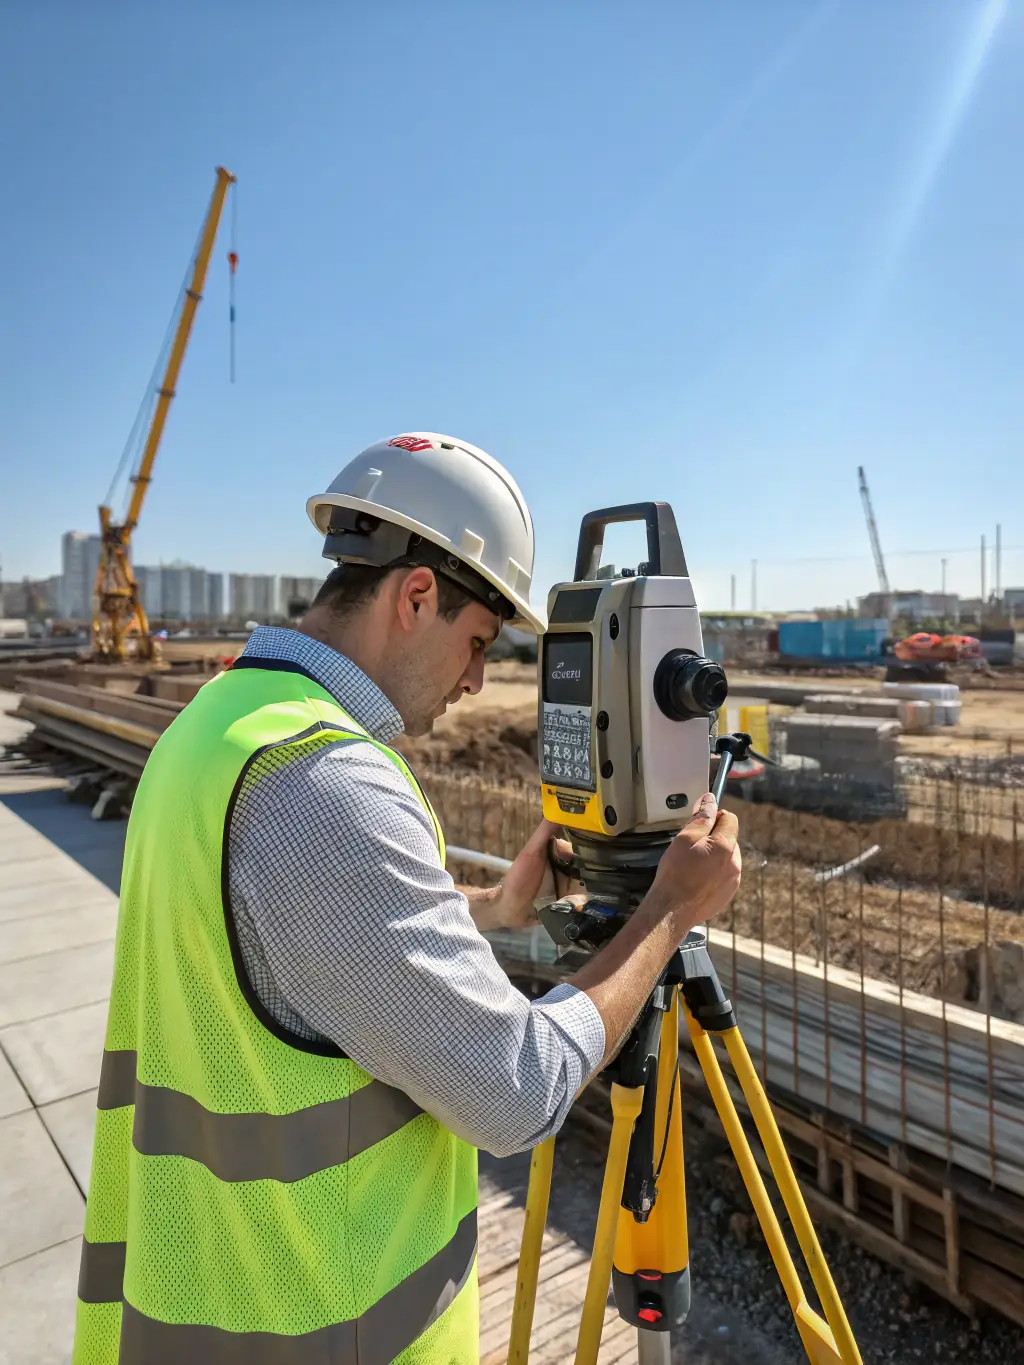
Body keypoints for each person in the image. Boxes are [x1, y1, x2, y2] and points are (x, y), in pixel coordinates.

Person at [73, 432, 741, 1364]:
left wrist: (490, 909)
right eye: (478, 644)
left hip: (199, 1292)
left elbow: (305, 943)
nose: (477, 680)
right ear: (416, 595)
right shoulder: (325, 784)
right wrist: (670, 911)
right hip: (318, 1324)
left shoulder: (222, 723)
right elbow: (515, 1092)